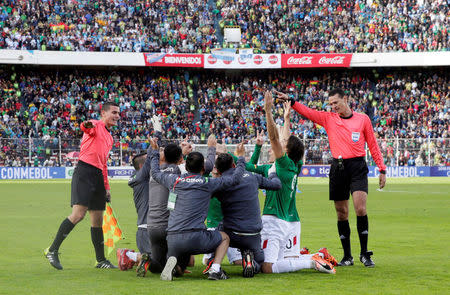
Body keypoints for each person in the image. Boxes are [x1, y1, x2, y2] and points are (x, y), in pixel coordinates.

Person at [275, 88, 387, 267]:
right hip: (338, 167)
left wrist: (382, 169)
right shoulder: (329, 118)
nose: (333, 106)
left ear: (346, 98)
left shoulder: (363, 119)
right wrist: (292, 100)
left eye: (336, 102)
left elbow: (373, 145)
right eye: (331, 104)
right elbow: (309, 113)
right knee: (342, 213)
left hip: (357, 166)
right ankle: (347, 256)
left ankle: (364, 253)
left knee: (360, 208)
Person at [255, 91, 335, 275]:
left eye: (285, 144)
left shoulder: (282, 164)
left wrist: (268, 111)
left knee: (267, 267)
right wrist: (286, 118)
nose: (282, 143)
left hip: (276, 220)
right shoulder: (296, 164)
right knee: (286, 262)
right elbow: (284, 139)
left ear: (287, 151)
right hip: (293, 221)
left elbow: (275, 138)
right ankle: (317, 255)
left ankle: (311, 260)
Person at [149, 137, 245, 281]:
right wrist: (241, 158)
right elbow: (235, 179)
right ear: (203, 169)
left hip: (173, 238)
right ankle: (215, 270)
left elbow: (155, 173)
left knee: (182, 261)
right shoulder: (207, 182)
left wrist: (155, 152)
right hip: (196, 238)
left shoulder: (174, 180)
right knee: (224, 238)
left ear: (186, 167)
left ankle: (175, 266)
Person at [44, 102, 120, 270]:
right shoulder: (95, 124)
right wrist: (84, 124)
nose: (117, 116)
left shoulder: (110, 137)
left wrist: (106, 187)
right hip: (84, 173)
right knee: (78, 215)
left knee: (97, 220)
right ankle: (52, 250)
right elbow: (86, 126)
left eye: (118, 113)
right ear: (104, 113)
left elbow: (104, 164)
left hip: (98, 176)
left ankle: (100, 260)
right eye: (114, 112)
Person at [212, 143, 282, 277]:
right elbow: (276, 185)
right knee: (260, 261)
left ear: (219, 171)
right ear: (234, 165)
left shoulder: (220, 183)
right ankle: (249, 261)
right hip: (252, 234)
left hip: (230, 233)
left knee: (212, 236)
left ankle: (212, 263)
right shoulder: (253, 177)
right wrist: (272, 173)